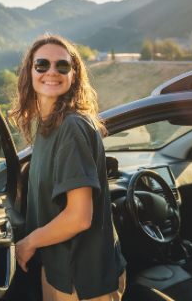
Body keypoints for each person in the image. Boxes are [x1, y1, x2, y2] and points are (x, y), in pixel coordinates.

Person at [12, 34, 127, 301]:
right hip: (59, 271)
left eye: (62, 66)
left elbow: (79, 217)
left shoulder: (71, 127)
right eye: (42, 64)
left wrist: (27, 244)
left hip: (82, 281)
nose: (52, 72)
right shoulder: (46, 126)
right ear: (29, 72)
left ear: (73, 75)